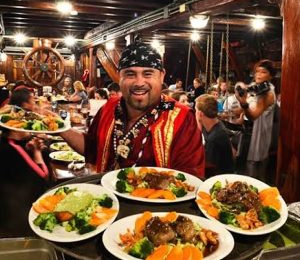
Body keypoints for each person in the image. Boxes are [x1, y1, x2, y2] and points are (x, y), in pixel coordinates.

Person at [61, 41, 205, 177]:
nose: (139, 82)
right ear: (119, 77)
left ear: (161, 76)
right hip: (107, 200)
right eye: (130, 74)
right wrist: (59, 127)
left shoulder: (182, 118)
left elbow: (189, 179)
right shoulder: (109, 107)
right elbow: (92, 149)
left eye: (148, 74)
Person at [0, 88, 49, 237]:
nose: (30, 126)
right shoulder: (12, 148)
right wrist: (37, 153)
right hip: (17, 221)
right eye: (26, 123)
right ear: (15, 127)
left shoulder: (10, 142)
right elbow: (43, 176)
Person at [235, 59, 276, 181]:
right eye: (257, 71)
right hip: (248, 132)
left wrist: (243, 104)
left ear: (271, 76)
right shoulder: (256, 88)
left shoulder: (267, 93)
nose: (258, 75)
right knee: (243, 168)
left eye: (263, 72)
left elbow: (254, 115)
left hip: (257, 135)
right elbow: (242, 88)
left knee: (253, 174)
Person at [195, 94, 234, 177]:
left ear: (200, 114)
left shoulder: (214, 138)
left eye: (195, 110)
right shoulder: (216, 124)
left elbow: (208, 168)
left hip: (220, 178)